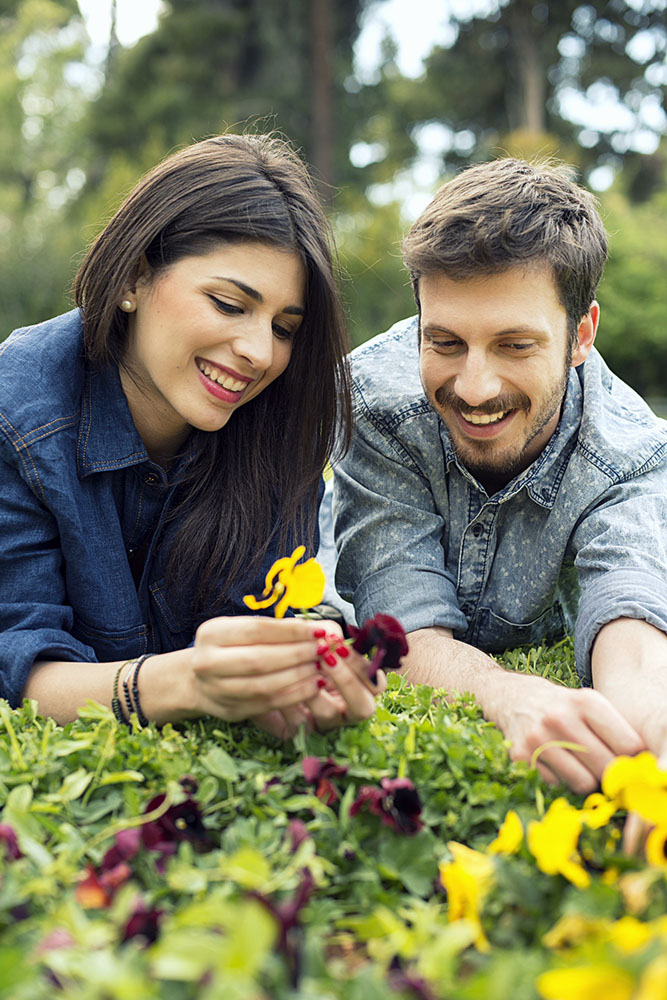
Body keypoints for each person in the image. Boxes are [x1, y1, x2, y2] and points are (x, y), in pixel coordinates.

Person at [0, 132, 384, 736]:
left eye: (285, 328)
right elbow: (20, 665)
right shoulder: (18, 412)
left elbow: (275, 607)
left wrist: (303, 674)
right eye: (230, 304)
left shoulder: (280, 421)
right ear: (132, 277)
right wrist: (188, 682)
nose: (260, 353)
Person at [328, 157, 667, 797]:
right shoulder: (371, 401)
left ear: (580, 335)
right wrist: (502, 690)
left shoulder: (633, 453)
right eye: (446, 342)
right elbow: (402, 622)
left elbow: (630, 614)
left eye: (515, 345)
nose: (474, 388)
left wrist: (652, 723)